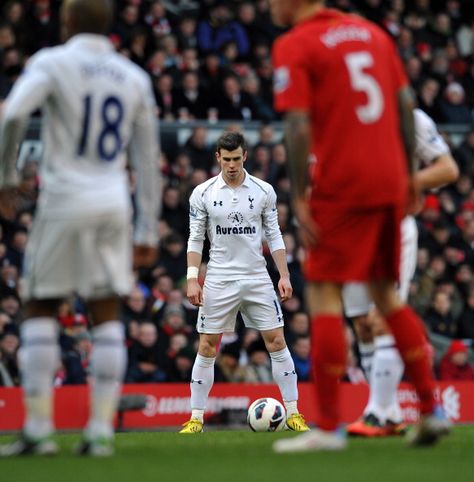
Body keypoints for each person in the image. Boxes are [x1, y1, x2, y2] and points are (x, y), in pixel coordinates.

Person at [270, 0, 451, 452]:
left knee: (324, 292)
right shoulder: (373, 33)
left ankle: (329, 427)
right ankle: (431, 409)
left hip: (342, 184)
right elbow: (406, 105)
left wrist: (297, 197)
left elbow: (296, 125)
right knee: (385, 296)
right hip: (387, 181)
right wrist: (408, 176)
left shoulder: (297, 43)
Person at [0, 0, 161, 457]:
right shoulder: (134, 76)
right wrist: (147, 228)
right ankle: (100, 433)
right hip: (113, 203)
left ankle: (36, 429)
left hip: (65, 199)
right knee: (106, 309)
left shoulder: (52, 62)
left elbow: (13, 115)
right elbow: (147, 159)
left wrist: (6, 179)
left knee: (40, 305)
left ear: (67, 22)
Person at [179, 131, 309, 434]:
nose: (232, 165)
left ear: (245, 156)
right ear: (218, 159)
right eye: (227, 160)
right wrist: (192, 279)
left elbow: (274, 234)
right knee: (208, 345)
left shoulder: (264, 190)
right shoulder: (203, 192)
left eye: (237, 159)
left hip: (256, 276)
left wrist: (284, 275)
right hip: (219, 278)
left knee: (277, 341)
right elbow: (195, 238)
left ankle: (293, 413)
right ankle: (196, 418)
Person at [343, 108, 459, 437]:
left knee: (383, 316)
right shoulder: (342, 111)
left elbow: (448, 169)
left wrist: (407, 183)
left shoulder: (410, 118)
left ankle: (378, 413)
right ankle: (390, 410)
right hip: (350, 228)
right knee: (363, 325)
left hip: (391, 226)